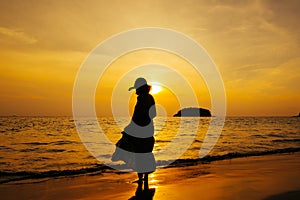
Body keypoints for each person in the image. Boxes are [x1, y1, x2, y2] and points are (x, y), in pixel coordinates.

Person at [112, 77, 156, 193]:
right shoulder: (150, 98)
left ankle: (141, 179)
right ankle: (144, 179)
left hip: (140, 131)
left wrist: (130, 128)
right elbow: (153, 114)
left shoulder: (141, 99)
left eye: (136, 88)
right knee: (144, 153)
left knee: (138, 153)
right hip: (149, 130)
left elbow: (137, 117)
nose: (135, 90)